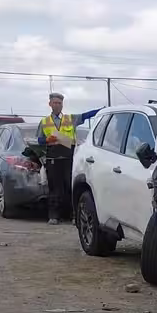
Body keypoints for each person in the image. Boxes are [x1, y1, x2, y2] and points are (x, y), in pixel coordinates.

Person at [37, 93, 100, 225]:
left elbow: (85, 116)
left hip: (69, 158)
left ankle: (73, 215)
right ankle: (54, 216)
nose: (57, 105)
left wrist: (100, 110)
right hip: (53, 158)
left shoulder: (70, 119)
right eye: (55, 103)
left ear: (62, 105)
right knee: (54, 188)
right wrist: (47, 139)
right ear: (50, 104)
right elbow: (39, 140)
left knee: (70, 187)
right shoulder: (44, 122)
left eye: (59, 103)